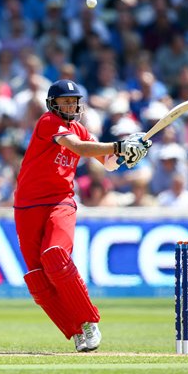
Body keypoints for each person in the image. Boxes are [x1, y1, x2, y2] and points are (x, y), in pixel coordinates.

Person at [13, 79, 151, 353]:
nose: (70, 105)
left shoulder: (81, 129)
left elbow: (110, 163)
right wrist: (119, 147)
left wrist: (131, 151)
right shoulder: (48, 122)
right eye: (64, 101)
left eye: (73, 101)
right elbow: (80, 148)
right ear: (53, 105)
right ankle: (76, 331)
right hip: (26, 207)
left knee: (55, 255)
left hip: (59, 203)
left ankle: (89, 321)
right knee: (37, 280)